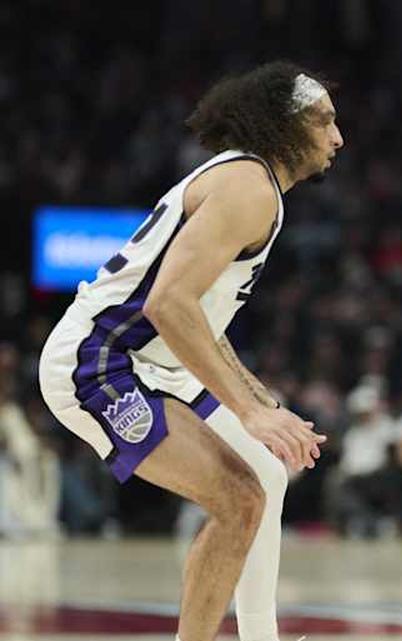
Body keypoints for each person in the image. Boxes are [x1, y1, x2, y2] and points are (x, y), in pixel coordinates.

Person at [38, 61, 343, 641]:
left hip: (154, 363)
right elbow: (167, 304)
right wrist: (251, 413)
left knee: (265, 476)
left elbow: (198, 315)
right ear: (284, 125)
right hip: (99, 360)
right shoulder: (249, 187)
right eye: (324, 121)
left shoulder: (253, 185)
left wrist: (260, 397)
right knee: (238, 498)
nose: (338, 137)